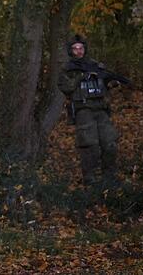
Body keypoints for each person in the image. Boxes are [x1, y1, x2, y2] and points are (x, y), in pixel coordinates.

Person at [58, 35, 122, 186]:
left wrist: (112, 83)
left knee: (110, 144)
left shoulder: (96, 65)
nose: (78, 51)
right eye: (75, 48)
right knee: (89, 146)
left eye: (81, 48)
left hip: (101, 109)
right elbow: (65, 87)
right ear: (70, 51)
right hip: (83, 110)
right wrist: (81, 77)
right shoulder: (68, 69)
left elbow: (104, 83)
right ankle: (90, 181)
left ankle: (110, 179)